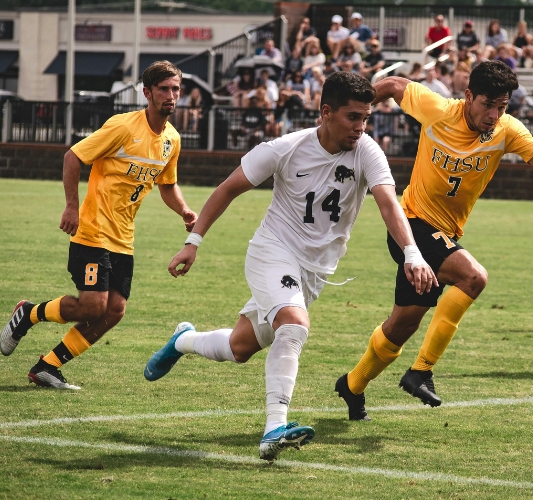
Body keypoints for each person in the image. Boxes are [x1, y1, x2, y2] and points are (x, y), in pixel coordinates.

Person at [143, 71, 437, 460]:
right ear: (326, 112)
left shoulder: (367, 151)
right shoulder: (285, 148)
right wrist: (192, 242)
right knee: (295, 325)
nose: (361, 127)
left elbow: (388, 204)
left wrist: (412, 253)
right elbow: (228, 188)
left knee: (240, 347)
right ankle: (274, 429)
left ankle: (183, 339)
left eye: (366, 118)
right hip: (273, 251)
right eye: (353, 117)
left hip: (314, 272)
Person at [334, 61, 533, 420]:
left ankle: (352, 385)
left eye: (502, 107)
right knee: (473, 277)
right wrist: (359, 111)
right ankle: (421, 371)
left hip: (443, 234)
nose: (494, 115)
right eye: (487, 104)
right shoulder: (440, 110)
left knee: (401, 327)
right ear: (468, 96)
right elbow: (396, 84)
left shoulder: (506, 130)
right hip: (411, 225)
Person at [0, 61, 196, 389]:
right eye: (163, 89)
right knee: (93, 306)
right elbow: (73, 156)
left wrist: (185, 211)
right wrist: (72, 207)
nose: (171, 95)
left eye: (175, 89)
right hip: (93, 230)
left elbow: (166, 184)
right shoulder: (123, 126)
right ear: (147, 93)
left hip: (123, 238)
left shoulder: (172, 140)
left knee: (115, 310)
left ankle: (47, 366)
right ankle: (29, 314)